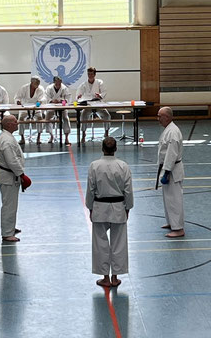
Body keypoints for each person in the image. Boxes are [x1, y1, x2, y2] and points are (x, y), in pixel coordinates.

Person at [86, 137, 134, 288]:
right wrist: (128, 207)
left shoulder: (94, 166)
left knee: (100, 243)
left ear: (102, 149)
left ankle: (105, 277)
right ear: (116, 149)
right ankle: (115, 277)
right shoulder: (123, 166)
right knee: (119, 243)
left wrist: (90, 207)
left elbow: (90, 189)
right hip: (118, 207)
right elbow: (128, 190)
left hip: (100, 207)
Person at [0, 115, 30, 243]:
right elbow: (12, 160)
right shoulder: (6, 140)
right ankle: (7, 233)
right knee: (9, 205)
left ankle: (9, 227)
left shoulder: (7, 137)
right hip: (8, 176)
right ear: (9, 125)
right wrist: (22, 175)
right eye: (15, 121)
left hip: (9, 176)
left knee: (11, 204)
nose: (17, 123)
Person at [156, 106, 185, 238]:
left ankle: (178, 228)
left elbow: (171, 154)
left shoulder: (173, 132)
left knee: (174, 200)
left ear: (167, 117)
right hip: (168, 169)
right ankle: (171, 222)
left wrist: (167, 172)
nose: (158, 119)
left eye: (159, 116)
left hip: (172, 170)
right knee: (168, 198)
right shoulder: (169, 130)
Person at [76, 67, 111, 143]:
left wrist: (100, 95)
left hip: (98, 103)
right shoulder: (84, 84)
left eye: (91, 74)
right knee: (83, 116)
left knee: (107, 115)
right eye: (88, 74)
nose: (90, 75)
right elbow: (79, 93)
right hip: (88, 104)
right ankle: (83, 134)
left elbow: (104, 92)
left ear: (95, 74)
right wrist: (79, 96)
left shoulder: (99, 82)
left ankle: (106, 133)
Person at [14, 76, 46, 145]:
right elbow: (17, 97)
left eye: (38, 84)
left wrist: (40, 102)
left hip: (36, 107)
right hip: (25, 107)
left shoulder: (40, 89)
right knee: (21, 118)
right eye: (36, 84)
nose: (37, 85)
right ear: (32, 83)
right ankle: (22, 137)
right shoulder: (24, 88)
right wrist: (18, 101)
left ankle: (38, 137)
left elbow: (43, 98)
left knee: (40, 118)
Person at [45, 76, 72, 145]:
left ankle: (66, 137)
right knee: (47, 117)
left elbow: (68, 98)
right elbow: (46, 98)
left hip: (62, 107)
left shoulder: (64, 88)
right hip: (51, 107)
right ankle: (51, 135)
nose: (58, 85)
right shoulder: (49, 88)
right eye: (56, 84)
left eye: (59, 84)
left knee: (65, 118)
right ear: (54, 82)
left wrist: (63, 101)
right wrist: (52, 101)